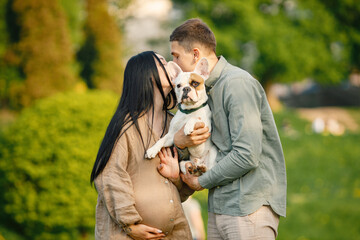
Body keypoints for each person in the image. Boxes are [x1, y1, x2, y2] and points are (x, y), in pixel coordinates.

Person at [170, 18, 287, 239]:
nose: (173, 61)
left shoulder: (236, 84)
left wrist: (201, 181)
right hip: (221, 206)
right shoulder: (203, 92)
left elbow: (247, 154)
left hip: (247, 207)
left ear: (196, 55)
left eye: (176, 56)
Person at [90, 51, 194, 240]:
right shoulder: (126, 125)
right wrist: (130, 224)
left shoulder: (176, 125)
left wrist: (176, 178)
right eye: (162, 61)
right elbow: (110, 175)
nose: (170, 64)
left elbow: (188, 186)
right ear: (145, 73)